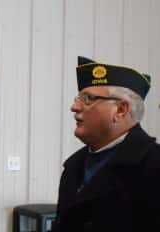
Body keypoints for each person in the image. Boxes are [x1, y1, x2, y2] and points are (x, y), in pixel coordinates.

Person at [52, 56, 160, 232]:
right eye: (77, 98)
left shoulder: (153, 166)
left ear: (120, 110)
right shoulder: (73, 165)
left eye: (87, 99)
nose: (74, 107)